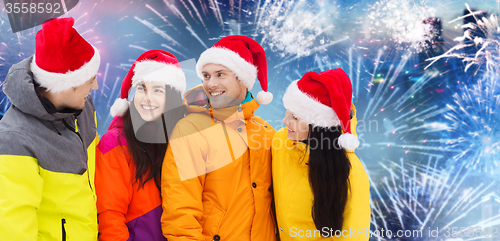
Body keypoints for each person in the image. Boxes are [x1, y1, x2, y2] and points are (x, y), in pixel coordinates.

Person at [160, 35, 277, 241]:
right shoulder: (191, 129)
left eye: (220, 74)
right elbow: (180, 208)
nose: (211, 83)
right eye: (206, 76)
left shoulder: (266, 131)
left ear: (243, 79)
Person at [0, 17, 101, 240]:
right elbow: (15, 231)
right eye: (90, 80)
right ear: (67, 84)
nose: (95, 86)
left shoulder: (83, 106)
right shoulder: (14, 140)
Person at [95, 50, 186, 241]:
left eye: (158, 90)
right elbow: (109, 215)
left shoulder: (181, 140)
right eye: (142, 88)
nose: (147, 98)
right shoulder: (116, 142)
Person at [272, 69, 371, 240]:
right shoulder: (282, 141)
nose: (285, 121)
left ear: (319, 126)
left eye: (295, 117)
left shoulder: (350, 171)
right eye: (287, 112)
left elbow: (354, 235)